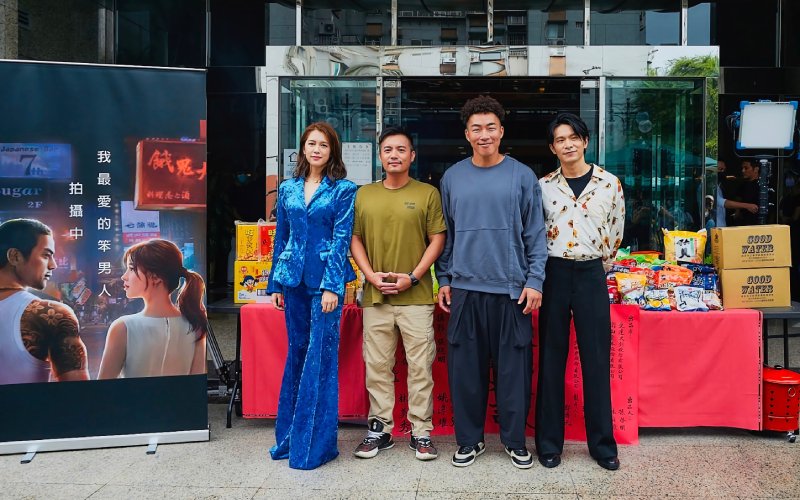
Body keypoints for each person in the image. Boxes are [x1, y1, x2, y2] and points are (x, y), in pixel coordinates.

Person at [436, 96, 547, 469]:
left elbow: (535, 233)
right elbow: (446, 235)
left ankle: (515, 442)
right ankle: (469, 441)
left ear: (501, 131)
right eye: (476, 128)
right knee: (466, 373)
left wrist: (535, 280)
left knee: (514, 373)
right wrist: (444, 277)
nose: (484, 135)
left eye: (490, 127)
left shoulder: (522, 176)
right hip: (465, 290)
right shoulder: (452, 178)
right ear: (467, 134)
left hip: (512, 291)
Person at [350, 127, 446, 461]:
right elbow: (355, 238)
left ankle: (421, 432)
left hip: (416, 297)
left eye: (401, 149)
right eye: (388, 149)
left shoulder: (427, 193)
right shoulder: (363, 195)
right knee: (377, 366)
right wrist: (369, 275)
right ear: (380, 156)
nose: (394, 155)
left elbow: (437, 238)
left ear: (412, 156)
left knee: (420, 366)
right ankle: (380, 430)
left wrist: (414, 276)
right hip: (376, 297)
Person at [266, 121, 358, 470]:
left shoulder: (343, 190)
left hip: (324, 285)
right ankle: (289, 439)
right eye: (311, 143)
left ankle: (316, 446)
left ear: (332, 151)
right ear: (302, 148)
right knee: (297, 353)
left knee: (320, 359)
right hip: (292, 281)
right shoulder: (287, 188)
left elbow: (341, 239)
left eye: (324, 145)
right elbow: (282, 237)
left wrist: (333, 286)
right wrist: (275, 284)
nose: (317, 149)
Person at [536, 112, 625, 471]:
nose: (568, 144)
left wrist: (598, 266)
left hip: (591, 274)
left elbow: (616, 231)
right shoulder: (543, 186)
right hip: (553, 274)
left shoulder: (609, 183)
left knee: (596, 360)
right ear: (552, 148)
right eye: (560, 139)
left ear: (585, 142)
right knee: (551, 360)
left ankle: (603, 446)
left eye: (574, 137)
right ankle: (548, 444)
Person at [97, 239, 207, 379]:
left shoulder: (123, 327)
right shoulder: (195, 324)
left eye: (131, 269)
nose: (124, 277)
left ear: (155, 277)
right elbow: (196, 385)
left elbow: (104, 386)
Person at [0, 218, 89, 384]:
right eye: (46, 255)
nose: (53, 265)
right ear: (15, 256)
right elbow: (79, 394)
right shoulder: (51, 314)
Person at [714, 160, 757, 228]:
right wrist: (747, 206)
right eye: (720, 169)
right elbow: (722, 202)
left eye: (724, 170)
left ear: (756, 169)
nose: (722, 172)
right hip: (715, 227)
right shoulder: (708, 187)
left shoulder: (718, 186)